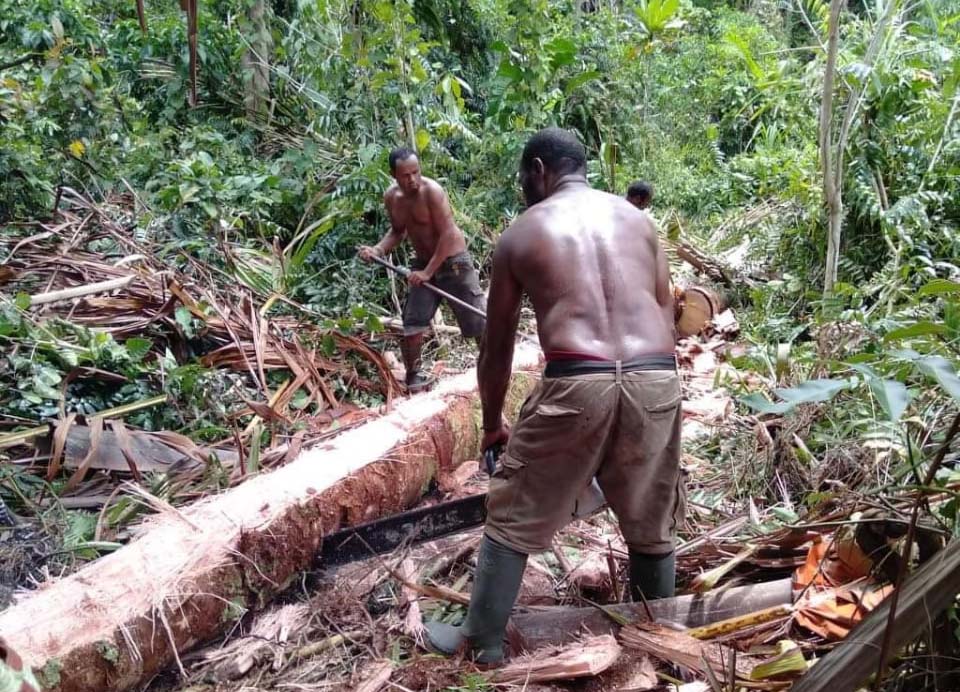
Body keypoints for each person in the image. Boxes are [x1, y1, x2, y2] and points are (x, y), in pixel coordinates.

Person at [426, 128, 683, 665]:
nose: (524, 187)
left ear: (539, 169)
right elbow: (666, 316)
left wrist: (493, 425)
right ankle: (655, 635)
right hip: (656, 374)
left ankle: (482, 642)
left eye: (524, 177)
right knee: (652, 512)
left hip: (577, 378)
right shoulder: (639, 221)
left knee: (514, 510)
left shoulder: (523, 232)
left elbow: (495, 350)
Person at [358, 148, 486, 392]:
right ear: (393, 175)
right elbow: (397, 232)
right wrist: (378, 250)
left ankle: (492, 366)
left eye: (416, 172)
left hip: (453, 262)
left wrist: (428, 272)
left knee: (477, 320)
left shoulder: (432, 192)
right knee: (413, 322)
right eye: (405, 175)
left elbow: (449, 234)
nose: (412, 180)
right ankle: (414, 376)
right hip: (424, 264)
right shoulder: (392, 198)